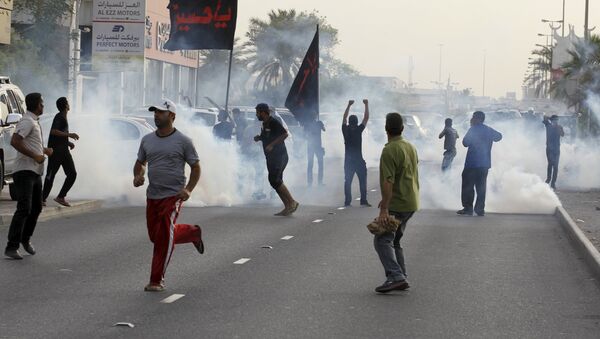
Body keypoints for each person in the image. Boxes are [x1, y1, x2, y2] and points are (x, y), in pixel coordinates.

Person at [134, 99, 204, 292]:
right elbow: (140, 162)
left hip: (173, 196)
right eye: (155, 112)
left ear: (172, 116)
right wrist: (137, 175)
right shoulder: (147, 139)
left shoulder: (183, 141)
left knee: (164, 238)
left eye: (161, 112)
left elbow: (196, 167)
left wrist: (188, 189)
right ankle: (192, 232)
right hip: (153, 195)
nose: (156, 115)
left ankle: (156, 280)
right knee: (155, 237)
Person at [373, 112, 419, 293]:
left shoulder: (390, 150)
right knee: (396, 240)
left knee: (382, 240)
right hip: (411, 201)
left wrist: (384, 207)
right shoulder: (410, 146)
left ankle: (396, 276)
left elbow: (388, 180)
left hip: (398, 204)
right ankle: (402, 276)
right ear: (402, 128)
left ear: (386, 129)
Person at [4, 93, 53, 260]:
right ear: (37, 105)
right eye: (42, 103)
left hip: (34, 171)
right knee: (24, 208)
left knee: (37, 207)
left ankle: (25, 239)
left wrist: (44, 151)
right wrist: (35, 155)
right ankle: (12, 246)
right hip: (24, 171)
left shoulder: (34, 122)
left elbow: (30, 143)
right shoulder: (27, 121)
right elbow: (16, 141)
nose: (43, 106)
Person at [253, 103, 299, 216]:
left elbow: (284, 134)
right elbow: (268, 136)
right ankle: (288, 207)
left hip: (279, 156)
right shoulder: (265, 123)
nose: (256, 114)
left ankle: (292, 202)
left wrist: (272, 145)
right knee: (274, 181)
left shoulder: (273, 121)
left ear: (263, 112)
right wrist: (260, 138)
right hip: (271, 157)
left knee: (275, 180)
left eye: (258, 112)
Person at [457, 111, 502, 216]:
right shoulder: (488, 129)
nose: (471, 119)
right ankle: (480, 209)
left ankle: (468, 208)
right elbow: (499, 137)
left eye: (473, 117)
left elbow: (465, 143)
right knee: (481, 187)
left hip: (472, 164)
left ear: (477, 119)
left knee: (468, 186)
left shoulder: (473, 129)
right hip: (484, 164)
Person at [42, 97, 79, 207]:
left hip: (64, 151)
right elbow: (54, 131)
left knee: (72, 174)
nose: (69, 104)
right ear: (65, 106)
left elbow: (59, 135)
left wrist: (68, 143)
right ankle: (42, 198)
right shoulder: (59, 117)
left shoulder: (63, 117)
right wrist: (70, 135)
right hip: (56, 152)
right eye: (67, 103)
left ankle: (61, 196)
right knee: (50, 175)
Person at [342, 99, 370, 207]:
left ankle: (347, 201)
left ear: (349, 122)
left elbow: (344, 118)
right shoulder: (359, 130)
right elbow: (366, 118)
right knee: (362, 181)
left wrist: (348, 105)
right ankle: (363, 200)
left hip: (348, 161)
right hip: (359, 160)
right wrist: (366, 105)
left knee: (348, 181)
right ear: (357, 122)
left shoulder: (345, 130)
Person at [543, 114, 564, 189]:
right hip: (549, 149)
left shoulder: (559, 127)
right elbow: (544, 117)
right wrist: (550, 118)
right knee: (550, 164)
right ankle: (548, 179)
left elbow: (562, 134)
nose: (556, 121)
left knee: (556, 166)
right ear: (552, 121)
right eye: (555, 120)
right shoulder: (548, 125)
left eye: (557, 120)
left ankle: (553, 183)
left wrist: (558, 127)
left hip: (556, 149)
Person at [304, 114, 325, 186]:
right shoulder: (318, 123)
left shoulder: (308, 124)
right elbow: (324, 129)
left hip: (312, 146)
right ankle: (319, 182)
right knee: (320, 164)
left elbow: (304, 135)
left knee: (311, 164)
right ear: (315, 117)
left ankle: (310, 183)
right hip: (317, 146)